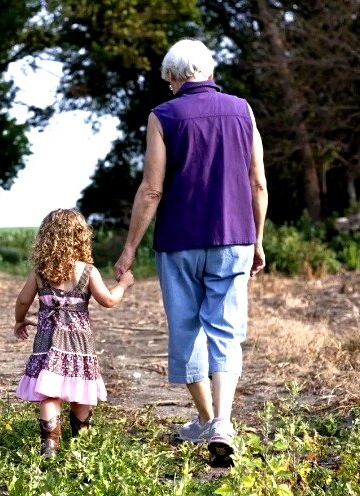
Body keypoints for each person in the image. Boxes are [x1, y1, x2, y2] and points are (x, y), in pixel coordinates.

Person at [113, 39, 268, 465]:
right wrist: (257, 239)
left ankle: (207, 418)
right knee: (225, 331)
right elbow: (257, 183)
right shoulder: (243, 111)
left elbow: (152, 190)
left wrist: (128, 251)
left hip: (178, 242)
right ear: (210, 72)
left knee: (186, 330)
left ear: (171, 78)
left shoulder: (163, 115)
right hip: (234, 236)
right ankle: (220, 422)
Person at [14, 208, 134, 457]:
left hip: (48, 339)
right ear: (81, 237)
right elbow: (109, 301)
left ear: (46, 238)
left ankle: (50, 444)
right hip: (79, 341)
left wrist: (20, 321)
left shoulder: (40, 272)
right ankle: (81, 439)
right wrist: (123, 284)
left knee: (49, 392)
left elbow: (23, 301)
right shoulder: (87, 271)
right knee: (81, 387)